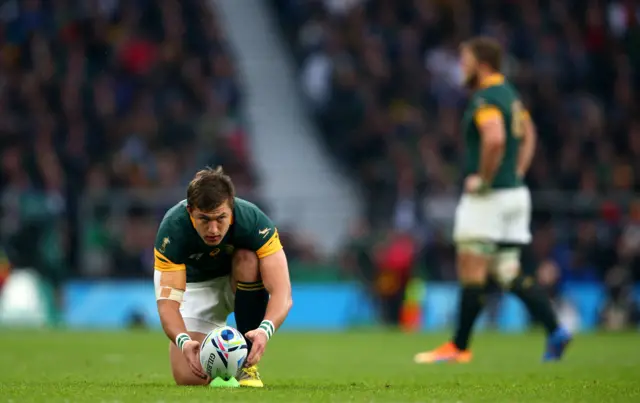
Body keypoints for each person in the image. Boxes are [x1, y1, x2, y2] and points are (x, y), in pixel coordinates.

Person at [414, 37, 571, 364]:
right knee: (506, 270)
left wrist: (484, 179)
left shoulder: (485, 97)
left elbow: (495, 138)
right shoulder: (510, 96)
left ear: (481, 63)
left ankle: (458, 346)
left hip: (489, 198)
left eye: (465, 60)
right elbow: (530, 134)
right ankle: (556, 329)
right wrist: (517, 172)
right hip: (515, 195)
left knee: (471, 267)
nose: (461, 67)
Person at [154, 166, 293, 386]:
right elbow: (167, 305)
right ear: (190, 211)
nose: (213, 229)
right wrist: (183, 342)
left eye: (221, 218)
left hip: (237, 282)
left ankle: (248, 366)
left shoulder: (254, 221)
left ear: (232, 208)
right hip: (196, 288)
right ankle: (227, 363)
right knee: (190, 377)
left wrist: (264, 331)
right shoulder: (173, 230)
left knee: (248, 258)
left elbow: (282, 293)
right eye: (204, 219)